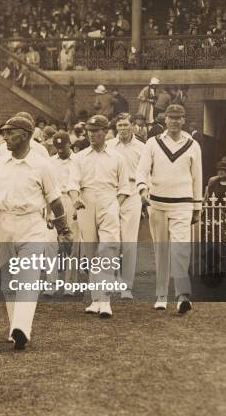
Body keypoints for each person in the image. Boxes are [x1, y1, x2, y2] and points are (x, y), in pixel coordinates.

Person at [0, 116, 71, 350]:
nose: (4, 137)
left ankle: (22, 327)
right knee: (8, 282)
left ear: (24, 135)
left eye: (9, 132)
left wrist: (63, 228)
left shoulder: (41, 164)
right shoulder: (0, 163)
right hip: (4, 222)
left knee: (28, 276)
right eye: (3, 132)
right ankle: (16, 328)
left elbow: (54, 199)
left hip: (32, 224)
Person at [136, 104, 202, 314]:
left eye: (178, 118)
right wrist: (142, 190)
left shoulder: (193, 145)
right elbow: (142, 170)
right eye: (171, 118)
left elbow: (197, 177)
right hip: (157, 203)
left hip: (183, 204)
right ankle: (162, 295)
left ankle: (183, 296)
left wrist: (197, 206)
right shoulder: (152, 143)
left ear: (184, 120)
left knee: (180, 248)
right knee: (161, 250)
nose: (174, 121)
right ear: (165, 120)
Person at [68, 115, 130, 318]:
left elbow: (124, 188)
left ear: (105, 131)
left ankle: (105, 300)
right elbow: (73, 184)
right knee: (92, 252)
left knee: (108, 249)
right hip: (85, 203)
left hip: (108, 201)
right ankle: (96, 300)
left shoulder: (117, 158)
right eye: (89, 131)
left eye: (96, 131)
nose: (91, 134)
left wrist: (114, 206)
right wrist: (76, 200)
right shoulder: (79, 157)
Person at [106, 113, 146, 299]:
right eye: (119, 125)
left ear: (132, 126)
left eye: (125, 125)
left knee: (129, 241)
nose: (122, 128)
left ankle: (126, 286)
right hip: (112, 193)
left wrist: (143, 193)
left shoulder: (141, 147)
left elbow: (147, 173)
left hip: (132, 193)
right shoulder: (109, 146)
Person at [49, 132, 80, 295]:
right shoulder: (49, 162)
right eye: (57, 147)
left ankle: (70, 285)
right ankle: (51, 283)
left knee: (72, 244)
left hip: (71, 199)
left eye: (63, 146)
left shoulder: (78, 160)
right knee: (51, 243)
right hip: (54, 200)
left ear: (70, 144)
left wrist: (76, 205)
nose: (60, 150)